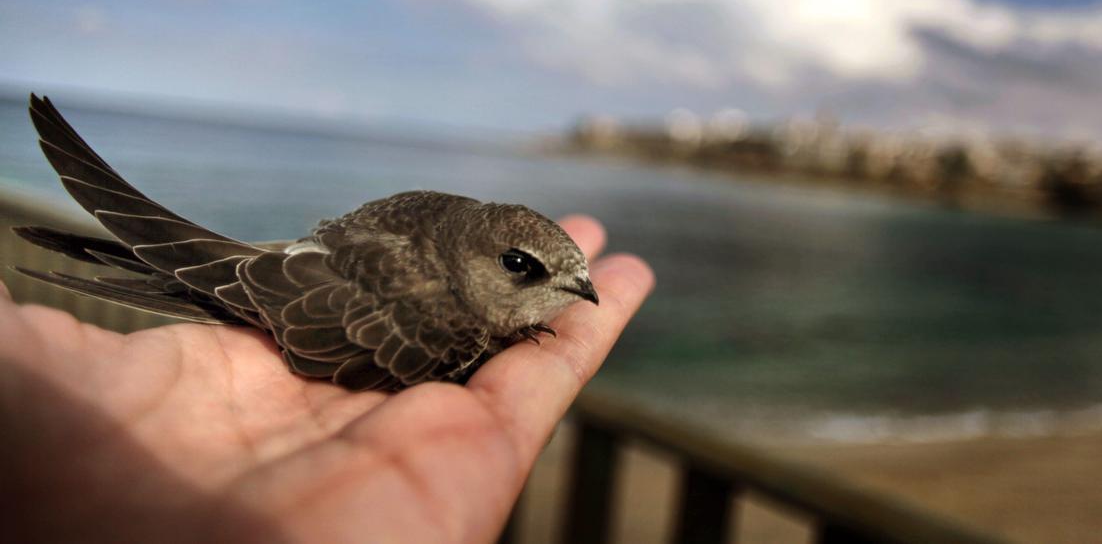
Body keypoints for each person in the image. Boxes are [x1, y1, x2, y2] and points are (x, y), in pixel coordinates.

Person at [0, 215, 654, 543]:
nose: (573, 294)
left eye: (567, 278)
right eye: (523, 267)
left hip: (316, 263)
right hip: (312, 294)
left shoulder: (460, 247)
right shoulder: (451, 316)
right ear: (482, 251)